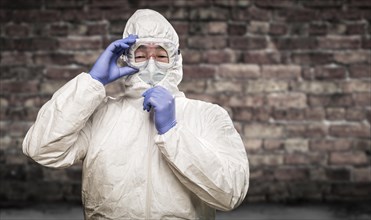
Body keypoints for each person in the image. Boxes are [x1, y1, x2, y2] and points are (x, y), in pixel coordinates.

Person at [23, 9, 249, 219]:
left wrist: (172, 133)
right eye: (140, 55)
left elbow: (231, 193)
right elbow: (42, 149)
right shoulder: (101, 114)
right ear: (125, 59)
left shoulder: (207, 116)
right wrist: (92, 82)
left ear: (176, 60)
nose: (151, 64)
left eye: (161, 55)